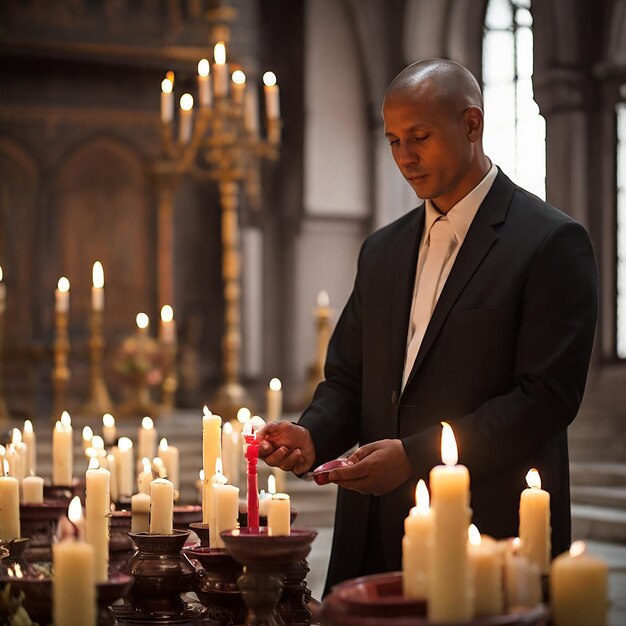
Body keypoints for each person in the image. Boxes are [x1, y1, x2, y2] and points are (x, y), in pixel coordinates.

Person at [257, 58, 598, 594]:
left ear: (471, 124)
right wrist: (312, 434)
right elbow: (348, 379)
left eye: (419, 137)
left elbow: (546, 399)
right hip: (370, 532)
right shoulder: (382, 249)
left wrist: (415, 457)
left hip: (483, 530)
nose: (405, 158)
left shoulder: (550, 243)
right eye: (393, 141)